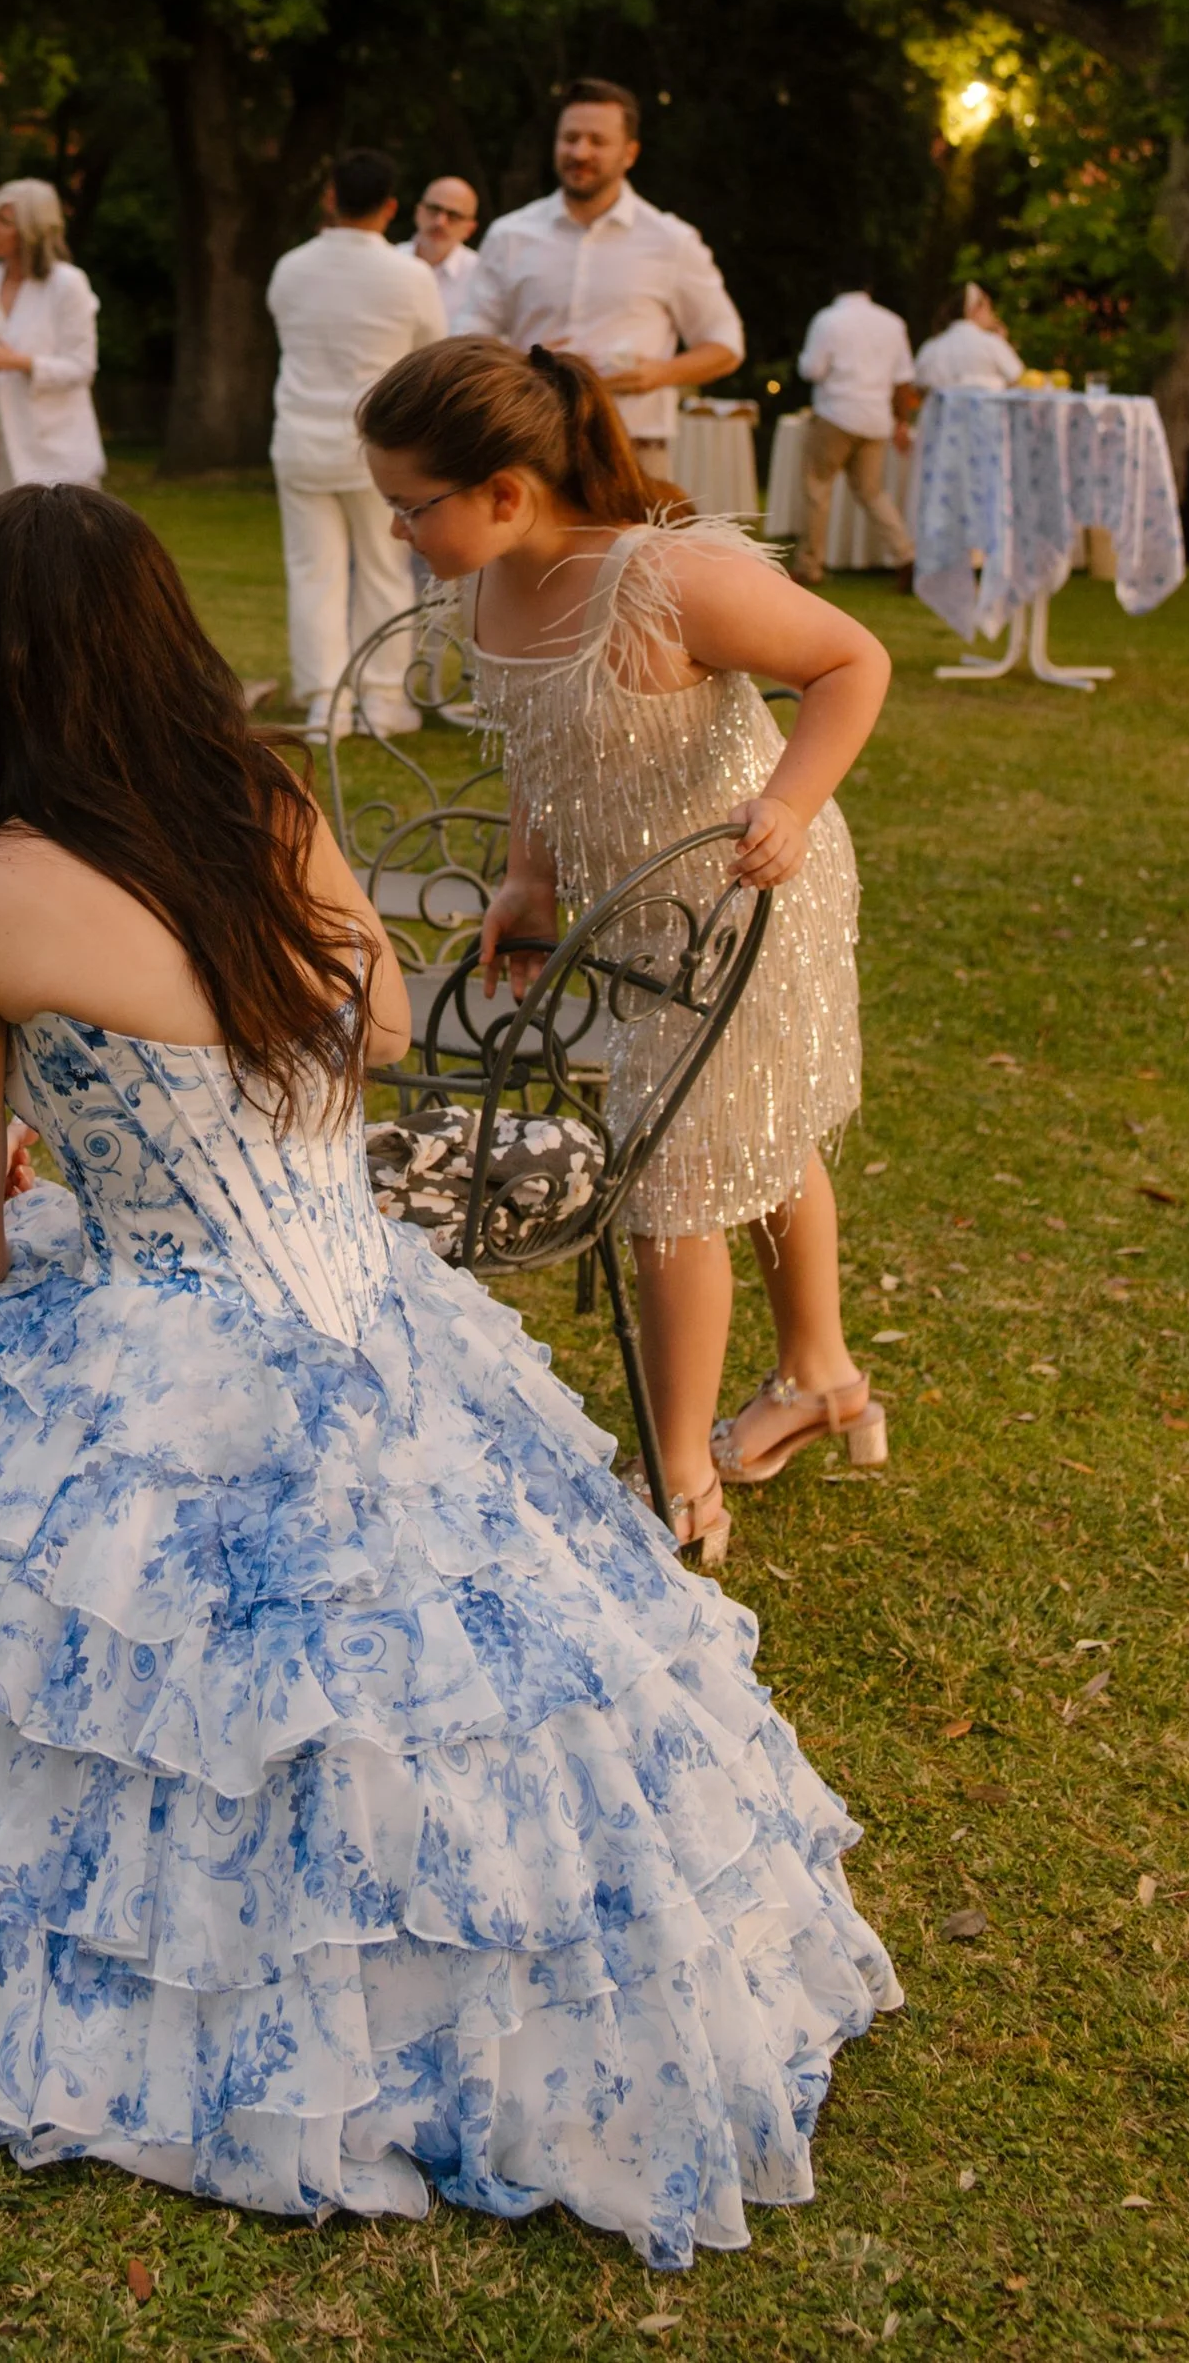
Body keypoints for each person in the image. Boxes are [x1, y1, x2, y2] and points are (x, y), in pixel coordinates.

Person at [0, 483, 897, 2260]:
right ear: (168, 650)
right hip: (372, 1317)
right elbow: (378, 1036)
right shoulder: (273, 808)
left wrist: (77, 1139)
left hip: (162, 1314)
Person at [359, 338, 891, 1576]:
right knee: (746, 1124)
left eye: (409, 504)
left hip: (749, 892)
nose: (395, 530)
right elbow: (548, 743)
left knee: (668, 1177)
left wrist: (793, 806)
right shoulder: (489, 586)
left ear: (505, 490)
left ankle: (678, 1482)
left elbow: (849, 661)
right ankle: (819, 1375)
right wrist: (531, 878)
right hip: (635, 907)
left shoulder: (667, 578)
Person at [463, 80, 742, 479]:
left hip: (634, 453)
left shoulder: (670, 241)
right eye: (570, 138)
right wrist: (520, 363)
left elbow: (726, 344)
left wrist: (658, 375)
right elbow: (469, 336)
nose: (580, 152)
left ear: (630, 153)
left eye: (597, 140)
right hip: (529, 446)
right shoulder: (510, 236)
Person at [265, 148, 444, 734]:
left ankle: (326, 700)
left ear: (329, 196)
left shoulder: (291, 267)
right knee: (384, 568)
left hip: (301, 438)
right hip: (377, 445)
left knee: (312, 569)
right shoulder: (411, 276)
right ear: (392, 206)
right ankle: (381, 698)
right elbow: (429, 355)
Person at [0, 179, 104, 528]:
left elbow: (82, 365)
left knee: (52, 542)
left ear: (32, 229)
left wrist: (25, 364)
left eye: (4, 222)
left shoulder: (67, 284)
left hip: (47, 442)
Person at [794, 287, 916, 588]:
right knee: (871, 492)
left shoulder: (829, 320)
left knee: (818, 488)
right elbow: (902, 380)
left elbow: (812, 369)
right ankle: (906, 554)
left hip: (837, 413)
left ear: (836, 287)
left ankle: (810, 565)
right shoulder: (892, 322)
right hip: (876, 419)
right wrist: (901, 422)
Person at [912, 281, 1022, 395]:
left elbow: (918, 386)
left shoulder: (930, 347)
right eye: (989, 308)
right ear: (975, 309)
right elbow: (1019, 380)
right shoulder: (991, 343)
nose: (993, 315)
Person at [406, 173, 485, 329]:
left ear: (470, 229)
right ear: (418, 212)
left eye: (453, 215)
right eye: (434, 209)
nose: (440, 222)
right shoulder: (389, 260)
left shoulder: (481, 277)